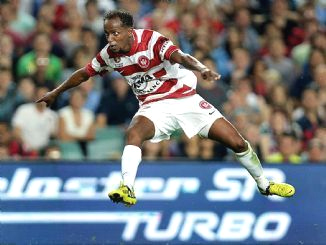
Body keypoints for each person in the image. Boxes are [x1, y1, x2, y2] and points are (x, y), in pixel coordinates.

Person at [36, 10, 295, 207]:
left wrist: (201, 68)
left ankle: (264, 184)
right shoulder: (109, 55)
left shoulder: (151, 40)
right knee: (134, 133)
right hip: (153, 107)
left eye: (115, 33)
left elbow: (180, 56)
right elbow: (84, 73)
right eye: (107, 33)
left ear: (129, 31)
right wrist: (55, 92)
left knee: (237, 143)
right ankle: (127, 187)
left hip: (185, 100)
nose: (110, 39)